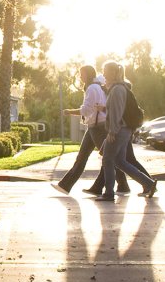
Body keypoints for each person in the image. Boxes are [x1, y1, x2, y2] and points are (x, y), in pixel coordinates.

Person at [53, 65, 129, 194]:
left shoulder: (92, 88)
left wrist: (69, 111)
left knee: (108, 157)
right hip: (94, 125)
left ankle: (116, 185)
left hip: (98, 126)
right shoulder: (96, 86)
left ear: (87, 74)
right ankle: (66, 185)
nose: (80, 76)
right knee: (85, 157)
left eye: (81, 74)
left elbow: (87, 110)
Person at [97, 61, 156, 201]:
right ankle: (148, 184)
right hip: (124, 129)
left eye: (105, 71)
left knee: (107, 159)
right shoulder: (120, 88)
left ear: (113, 72)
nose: (103, 74)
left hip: (119, 130)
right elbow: (118, 110)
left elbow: (117, 112)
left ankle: (109, 193)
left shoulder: (117, 89)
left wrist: (112, 131)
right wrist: (105, 109)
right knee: (120, 161)